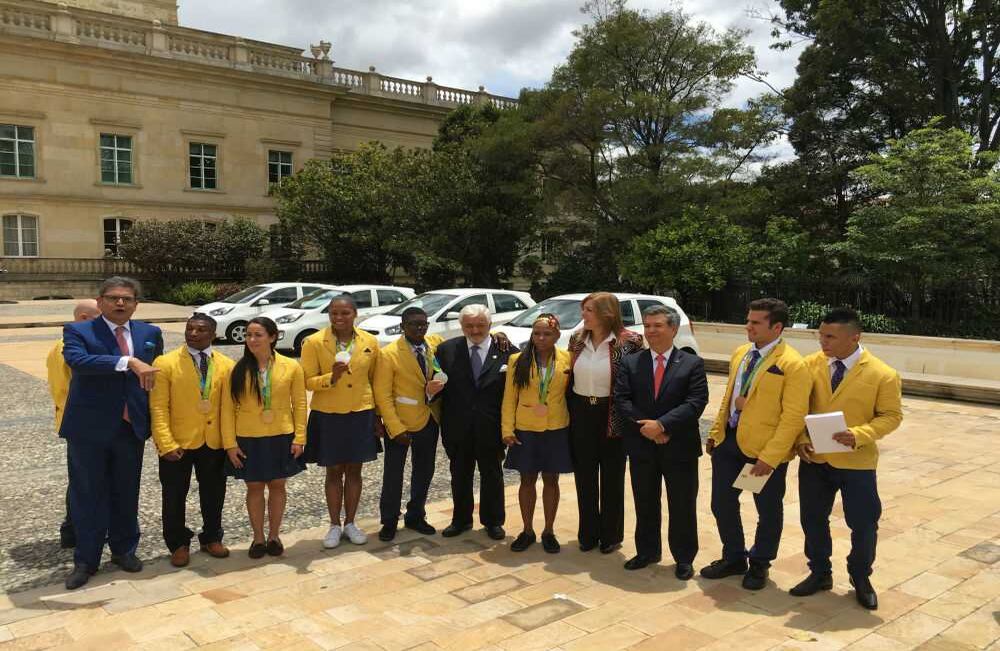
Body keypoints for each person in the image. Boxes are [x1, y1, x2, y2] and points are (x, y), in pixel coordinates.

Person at [791, 308, 902, 610]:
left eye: (830, 337)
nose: (822, 342)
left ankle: (861, 576)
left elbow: (892, 416)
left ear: (855, 337)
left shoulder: (882, 374)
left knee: (864, 524)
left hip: (857, 463)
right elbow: (796, 409)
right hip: (815, 459)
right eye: (820, 335)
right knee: (812, 518)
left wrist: (861, 433)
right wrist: (801, 439)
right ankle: (819, 572)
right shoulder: (808, 365)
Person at [60, 277, 164, 590]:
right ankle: (86, 560)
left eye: (127, 299)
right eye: (114, 298)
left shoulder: (150, 333)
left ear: (136, 303)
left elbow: (153, 375)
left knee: (125, 490)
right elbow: (77, 361)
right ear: (100, 300)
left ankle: (124, 550)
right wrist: (128, 361)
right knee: (88, 493)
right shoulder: (79, 330)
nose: (120, 303)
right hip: (89, 429)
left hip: (130, 426)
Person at [702, 298, 810, 590]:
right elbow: (729, 396)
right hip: (730, 444)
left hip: (762, 452)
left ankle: (760, 564)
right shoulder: (741, 353)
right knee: (722, 503)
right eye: (748, 320)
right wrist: (715, 431)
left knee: (767, 509)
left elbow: (793, 417)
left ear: (776, 326)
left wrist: (771, 457)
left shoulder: (792, 364)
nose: (747, 326)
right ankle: (734, 556)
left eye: (755, 322)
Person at [614, 305, 708, 578]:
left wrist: (663, 425)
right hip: (642, 445)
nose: (651, 331)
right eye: (648, 325)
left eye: (658, 325)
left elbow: (696, 401)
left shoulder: (692, 363)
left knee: (682, 504)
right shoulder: (632, 362)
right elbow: (622, 399)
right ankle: (647, 551)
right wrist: (649, 427)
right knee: (645, 501)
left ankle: (684, 558)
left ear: (673, 329)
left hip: (679, 447)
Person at [150, 314, 235, 567]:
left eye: (200, 330)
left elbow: (229, 408)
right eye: (190, 329)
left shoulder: (227, 365)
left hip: (213, 442)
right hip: (178, 443)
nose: (193, 334)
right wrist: (165, 443)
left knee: (214, 493)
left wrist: (230, 443)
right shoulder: (165, 363)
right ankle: (178, 543)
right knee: (174, 495)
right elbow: (158, 407)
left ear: (213, 334)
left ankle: (212, 537)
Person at [427, 304, 515, 541]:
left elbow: (516, 391)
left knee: (492, 474)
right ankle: (461, 520)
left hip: (492, 426)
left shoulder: (507, 351)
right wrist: (430, 391)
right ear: (461, 326)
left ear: (490, 325)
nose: (475, 330)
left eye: (480, 325)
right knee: (459, 474)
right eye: (469, 325)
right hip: (457, 427)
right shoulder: (446, 350)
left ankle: (493, 521)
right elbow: (435, 386)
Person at [300, 294, 381, 549]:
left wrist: (378, 414)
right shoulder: (313, 342)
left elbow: (376, 379)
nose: (339, 318)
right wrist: (331, 377)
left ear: (355, 314)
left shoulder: (369, 341)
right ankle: (334, 524)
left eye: (345, 313)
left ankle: (351, 522)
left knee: (355, 470)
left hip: (360, 412)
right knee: (333, 470)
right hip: (329, 414)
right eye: (334, 313)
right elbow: (307, 380)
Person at [222, 316, 307, 559]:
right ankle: (258, 538)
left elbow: (300, 404)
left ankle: (274, 535)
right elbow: (227, 409)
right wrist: (230, 444)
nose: (252, 340)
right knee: (255, 486)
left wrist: (299, 437)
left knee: (278, 485)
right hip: (249, 436)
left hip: (281, 434)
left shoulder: (291, 367)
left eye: (258, 335)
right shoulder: (236, 369)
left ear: (272, 337)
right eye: (249, 335)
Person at [566, 292, 643, 554]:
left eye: (589, 310)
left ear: (607, 313)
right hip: (581, 413)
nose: (583, 315)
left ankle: (610, 535)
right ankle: (587, 533)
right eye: (583, 309)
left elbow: (637, 383)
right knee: (584, 476)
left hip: (612, 414)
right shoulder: (576, 339)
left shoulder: (629, 341)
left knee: (612, 476)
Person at [501, 314, 573, 553]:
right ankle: (528, 529)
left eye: (547, 334)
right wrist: (507, 429)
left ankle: (549, 530)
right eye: (537, 333)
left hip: (555, 427)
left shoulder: (567, 359)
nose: (541, 338)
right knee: (527, 479)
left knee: (552, 479)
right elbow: (509, 398)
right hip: (526, 428)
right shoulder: (517, 360)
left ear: (557, 336)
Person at [374, 307, 443, 542]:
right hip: (400, 424)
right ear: (403, 326)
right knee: (393, 474)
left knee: (424, 471)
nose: (419, 328)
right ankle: (389, 520)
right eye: (413, 324)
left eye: (423, 324)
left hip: (429, 419)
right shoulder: (389, 354)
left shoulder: (433, 345)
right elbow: (382, 395)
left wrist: (499, 336)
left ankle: (416, 515)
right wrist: (394, 427)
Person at [46, 298, 100, 549]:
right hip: (81, 423)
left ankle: (77, 528)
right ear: (84, 319)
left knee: (86, 478)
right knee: (83, 480)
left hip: (80, 421)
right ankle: (74, 529)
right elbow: (68, 389)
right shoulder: (67, 347)